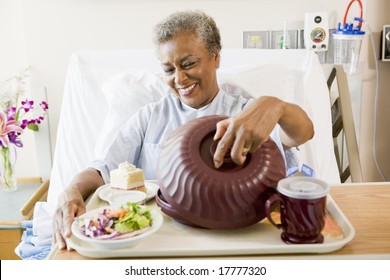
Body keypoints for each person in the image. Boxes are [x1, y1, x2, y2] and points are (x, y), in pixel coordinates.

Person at [53, 10, 314, 250]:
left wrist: (276, 107)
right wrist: (72, 190)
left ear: (216, 57)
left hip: (237, 238)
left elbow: (301, 133)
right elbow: (101, 171)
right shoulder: (149, 117)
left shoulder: (247, 112)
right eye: (169, 69)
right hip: (162, 239)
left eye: (188, 64)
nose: (179, 79)